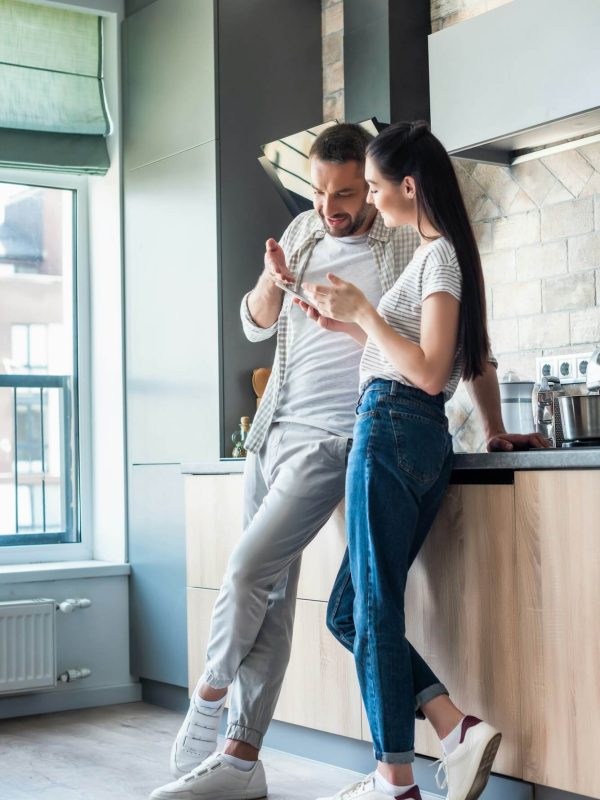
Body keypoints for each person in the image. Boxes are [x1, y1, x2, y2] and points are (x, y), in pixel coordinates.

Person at [150, 123, 548, 800]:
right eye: (324, 189)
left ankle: (381, 776)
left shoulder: (421, 250)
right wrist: (293, 293)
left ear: (391, 188)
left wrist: (492, 421)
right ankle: (436, 732)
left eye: (358, 187)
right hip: (313, 428)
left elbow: (442, 359)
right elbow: (269, 323)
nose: (339, 201)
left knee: (327, 594)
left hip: (368, 431)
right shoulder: (326, 236)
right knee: (331, 607)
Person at [299, 121, 502, 800]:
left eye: (379, 187)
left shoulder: (437, 257)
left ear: (408, 186)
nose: (376, 201)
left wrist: (366, 312)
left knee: (374, 608)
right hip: (407, 434)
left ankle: (395, 780)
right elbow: (459, 358)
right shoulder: (438, 260)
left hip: (391, 427)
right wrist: (350, 319)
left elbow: (428, 369)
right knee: (352, 612)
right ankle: (454, 728)